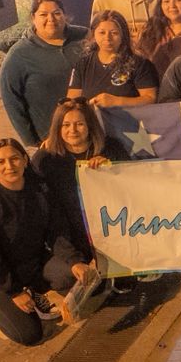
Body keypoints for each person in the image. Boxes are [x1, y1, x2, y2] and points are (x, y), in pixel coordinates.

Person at [0, 138, 102, 344]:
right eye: (1, 162)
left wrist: (74, 261)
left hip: (30, 261)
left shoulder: (40, 190)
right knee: (29, 335)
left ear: (25, 160)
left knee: (75, 278)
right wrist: (14, 292)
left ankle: (31, 289)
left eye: (14, 159)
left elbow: (57, 231)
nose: (9, 166)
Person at [0, 0, 88, 147]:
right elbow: (11, 100)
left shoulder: (84, 36)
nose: (51, 19)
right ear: (33, 18)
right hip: (49, 139)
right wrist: (32, 141)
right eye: (43, 14)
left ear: (64, 15)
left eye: (56, 13)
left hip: (88, 131)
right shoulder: (19, 55)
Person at [30, 98, 110, 258]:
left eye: (79, 124)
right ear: (57, 128)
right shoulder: (45, 159)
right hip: (66, 232)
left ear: (90, 125)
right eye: (65, 125)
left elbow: (130, 187)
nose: (72, 130)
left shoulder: (111, 149)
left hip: (109, 226)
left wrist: (112, 168)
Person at [67, 11, 159, 109]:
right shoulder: (83, 64)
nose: (107, 38)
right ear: (94, 34)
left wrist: (117, 101)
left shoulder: (140, 64)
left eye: (114, 33)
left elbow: (151, 98)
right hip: (93, 118)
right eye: (102, 33)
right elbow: (72, 101)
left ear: (123, 35)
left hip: (129, 118)